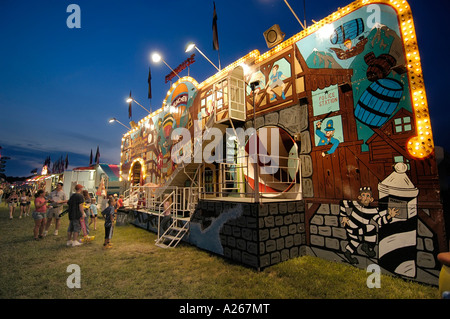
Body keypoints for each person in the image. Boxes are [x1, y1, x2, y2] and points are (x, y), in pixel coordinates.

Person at [340, 186, 399, 264]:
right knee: (367, 231)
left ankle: (363, 248)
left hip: (359, 229)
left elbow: (380, 221)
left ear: (371, 199)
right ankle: (366, 246)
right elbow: (342, 203)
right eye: (363, 195)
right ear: (359, 197)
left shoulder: (373, 211)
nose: (365, 198)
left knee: (357, 240)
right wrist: (344, 216)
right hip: (351, 227)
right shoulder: (355, 204)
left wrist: (389, 216)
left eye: (368, 196)